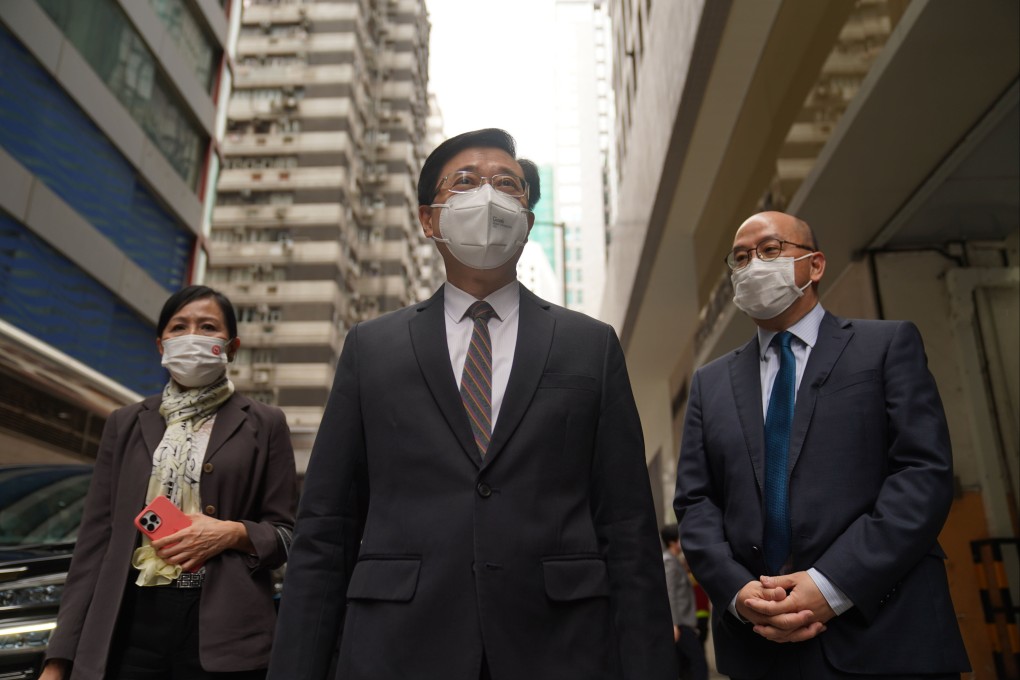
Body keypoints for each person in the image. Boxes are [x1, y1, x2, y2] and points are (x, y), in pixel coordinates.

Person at [267, 128, 676, 680]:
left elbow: (628, 526)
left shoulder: (590, 345)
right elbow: (326, 526)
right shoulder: (372, 348)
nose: (488, 195)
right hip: (398, 645)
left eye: (507, 184)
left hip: (561, 646)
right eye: (465, 182)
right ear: (429, 219)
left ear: (527, 220)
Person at [674, 211, 970, 679]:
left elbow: (921, 473)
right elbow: (695, 501)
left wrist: (831, 584)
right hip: (760, 647)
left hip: (887, 635)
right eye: (741, 257)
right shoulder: (710, 384)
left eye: (770, 250)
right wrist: (737, 593)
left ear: (815, 265)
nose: (753, 265)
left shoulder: (887, 346)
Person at [41, 285, 297, 680]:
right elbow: (93, 545)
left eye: (207, 326)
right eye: (179, 327)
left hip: (226, 634)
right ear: (161, 345)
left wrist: (231, 533)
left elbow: (287, 535)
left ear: (231, 346)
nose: (192, 335)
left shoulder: (265, 423)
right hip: (129, 624)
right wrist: (58, 660)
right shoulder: (125, 423)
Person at [661, 524, 708, 680]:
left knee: (684, 665)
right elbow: (670, 592)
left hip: (683, 623)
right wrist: (673, 624)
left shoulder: (674, 561)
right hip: (680, 624)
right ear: (673, 542)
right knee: (698, 662)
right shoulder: (669, 561)